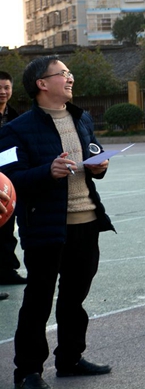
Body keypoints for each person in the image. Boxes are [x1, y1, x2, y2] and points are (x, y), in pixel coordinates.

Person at [0, 57, 113, 388]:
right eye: (63, 73)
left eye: (69, 73)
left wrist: (100, 166)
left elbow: (94, 154)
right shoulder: (15, 130)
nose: (70, 78)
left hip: (87, 220)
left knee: (75, 297)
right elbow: (8, 180)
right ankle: (28, 371)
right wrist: (47, 171)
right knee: (38, 300)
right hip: (45, 225)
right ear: (42, 83)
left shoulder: (81, 118)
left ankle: (70, 358)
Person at [0, 70, 25, 287]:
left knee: (8, 228)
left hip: (9, 180)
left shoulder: (16, 118)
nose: (2, 92)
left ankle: (7, 271)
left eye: (6, 87)